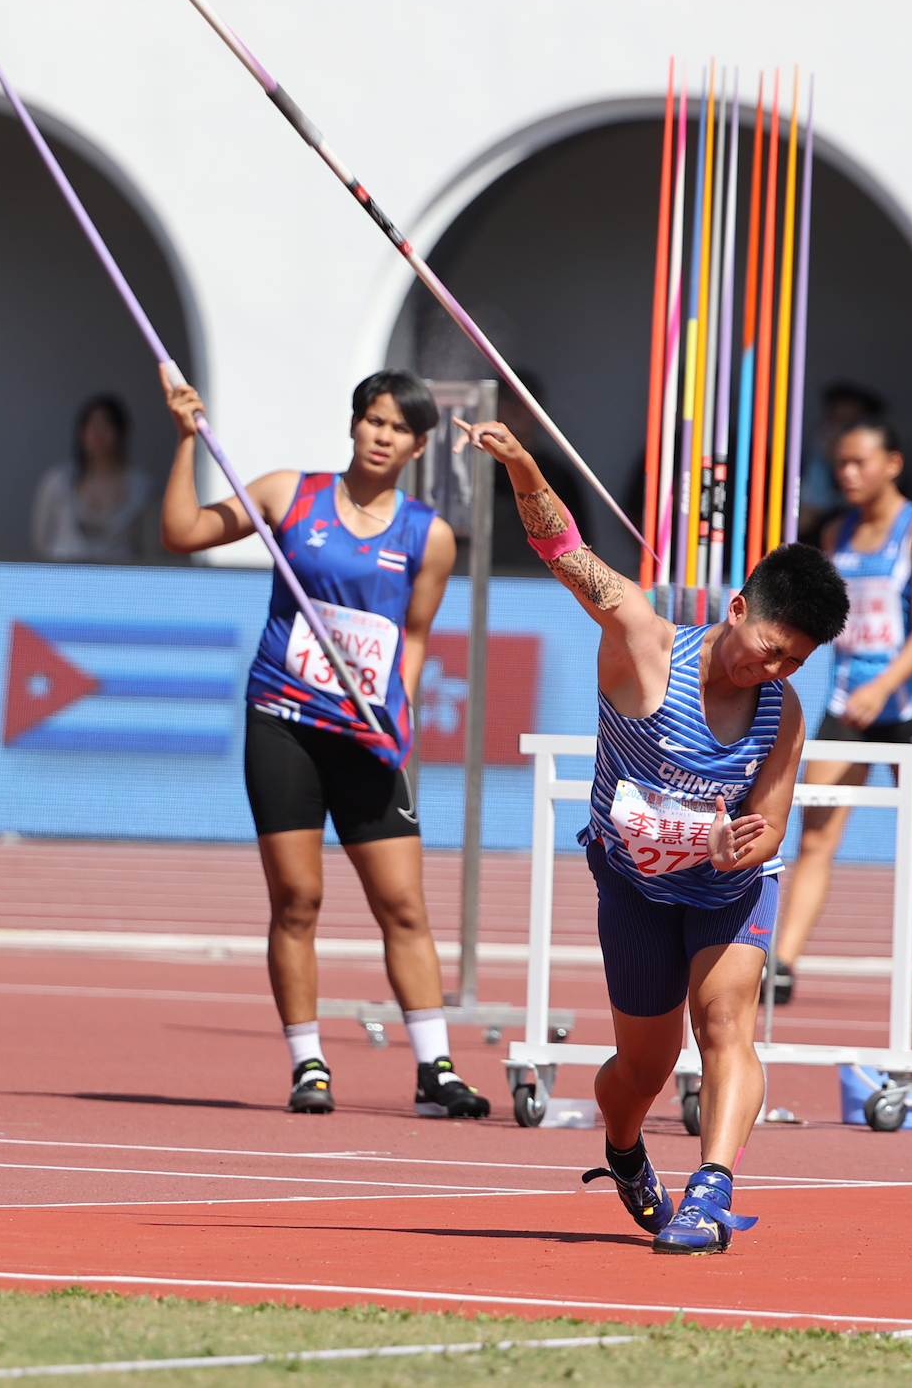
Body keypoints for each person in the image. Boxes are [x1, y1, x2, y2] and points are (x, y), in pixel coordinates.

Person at [458, 409, 847, 1253]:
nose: (772, 669)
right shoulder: (643, 643)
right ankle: (626, 1150)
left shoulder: (781, 711)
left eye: (793, 661)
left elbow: (772, 823)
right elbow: (563, 551)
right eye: (768, 647)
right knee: (642, 1069)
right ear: (736, 608)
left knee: (725, 1022)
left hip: (725, 890)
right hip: (632, 884)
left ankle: (712, 1193)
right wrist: (523, 463)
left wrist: (743, 845)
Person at [161, 367, 487, 1119]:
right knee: (298, 899)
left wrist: (396, 716)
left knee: (402, 903)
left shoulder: (429, 536)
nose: (382, 436)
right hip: (285, 722)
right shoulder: (289, 495)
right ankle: (309, 1063)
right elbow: (183, 533)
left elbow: (413, 636)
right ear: (353, 423)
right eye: (374, 420)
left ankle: (434, 1069)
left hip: (367, 736)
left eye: (399, 428)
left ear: (418, 446)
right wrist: (184, 441)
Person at [772, 418, 912, 1009]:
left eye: (859, 462)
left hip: (909, 707)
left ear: (892, 463)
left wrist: (884, 685)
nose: (848, 473)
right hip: (848, 707)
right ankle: (781, 964)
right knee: (815, 836)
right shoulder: (835, 533)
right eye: (841, 463)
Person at [31, 394, 152, 563]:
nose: (97, 432)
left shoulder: (142, 488)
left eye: (106, 424)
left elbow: (149, 549)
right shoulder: (57, 482)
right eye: (91, 424)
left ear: (121, 431)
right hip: (63, 574)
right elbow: (41, 541)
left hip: (118, 575)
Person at [490, 380, 592, 571]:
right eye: (508, 399)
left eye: (525, 401)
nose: (516, 408)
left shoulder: (560, 476)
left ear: (539, 411)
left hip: (542, 578)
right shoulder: (477, 472)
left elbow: (580, 546)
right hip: (482, 574)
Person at [797, 381, 883, 542]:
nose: (836, 434)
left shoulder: (884, 477)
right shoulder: (808, 465)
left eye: (847, 425)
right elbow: (803, 521)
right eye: (833, 422)